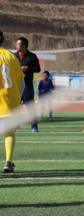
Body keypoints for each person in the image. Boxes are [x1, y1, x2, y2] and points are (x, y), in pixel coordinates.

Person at [0, 30, 25, 172]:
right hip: (10, 102)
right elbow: (21, 83)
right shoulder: (12, 56)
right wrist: (17, 100)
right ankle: (8, 162)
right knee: (9, 132)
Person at [14, 36, 41, 133]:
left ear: (25, 46)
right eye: (16, 44)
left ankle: (34, 127)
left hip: (27, 85)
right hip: (16, 86)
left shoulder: (32, 56)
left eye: (19, 44)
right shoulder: (13, 56)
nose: (17, 46)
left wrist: (28, 68)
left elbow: (38, 69)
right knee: (14, 106)